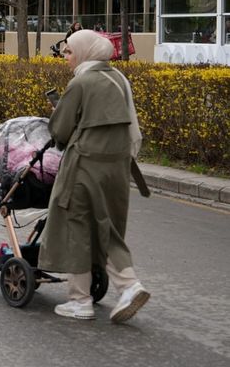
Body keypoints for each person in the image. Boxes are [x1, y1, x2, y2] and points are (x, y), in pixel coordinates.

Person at [38, 30, 150, 323]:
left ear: (85, 52)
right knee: (107, 226)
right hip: (118, 165)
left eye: (69, 52)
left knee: (77, 225)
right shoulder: (119, 79)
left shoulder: (81, 82)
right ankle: (128, 284)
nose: (66, 57)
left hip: (84, 165)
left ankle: (80, 300)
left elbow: (60, 132)